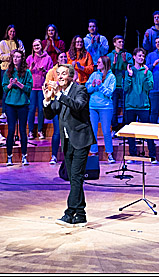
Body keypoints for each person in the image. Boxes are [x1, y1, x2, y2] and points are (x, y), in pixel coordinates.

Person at [44, 63, 96, 226]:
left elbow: (78, 106)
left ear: (70, 76)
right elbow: (50, 113)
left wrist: (59, 94)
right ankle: (80, 215)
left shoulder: (80, 89)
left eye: (63, 74)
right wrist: (47, 100)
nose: (60, 76)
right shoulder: (59, 94)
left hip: (81, 139)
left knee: (76, 176)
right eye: (58, 74)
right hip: (67, 141)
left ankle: (69, 212)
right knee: (74, 178)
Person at [123, 47, 156, 163]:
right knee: (131, 133)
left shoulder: (148, 72)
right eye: (139, 56)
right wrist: (130, 76)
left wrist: (146, 75)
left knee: (148, 132)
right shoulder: (129, 71)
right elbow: (125, 88)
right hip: (130, 106)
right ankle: (132, 155)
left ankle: (152, 155)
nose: (141, 58)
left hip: (143, 106)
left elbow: (149, 87)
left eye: (143, 56)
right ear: (134, 57)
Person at [3, 48, 33, 166]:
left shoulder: (27, 72)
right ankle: (9, 156)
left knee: (22, 131)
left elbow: (29, 89)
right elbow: (5, 88)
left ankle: (24, 156)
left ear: (22, 59)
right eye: (14, 57)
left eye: (18, 57)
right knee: (11, 130)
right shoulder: (8, 72)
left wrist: (19, 84)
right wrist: (11, 84)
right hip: (10, 104)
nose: (16, 59)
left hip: (22, 104)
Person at [87, 54, 117, 163]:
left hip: (105, 107)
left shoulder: (111, 77)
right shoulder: (94, 74)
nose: (97, 64)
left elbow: (109, 92)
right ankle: (93, 152)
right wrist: (93, 86)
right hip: (93, 106)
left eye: (99, 62)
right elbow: (88, 89)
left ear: (105, 64)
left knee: (105, 131)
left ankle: (109, 153)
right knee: (92, 131)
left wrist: (100, 86)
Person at [46, 52, 70, 165]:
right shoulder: (52, 72)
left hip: (68, 102)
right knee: (57, 131)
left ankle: (68, 156)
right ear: (58, 60)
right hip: (56, 102)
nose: (64, 58)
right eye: (61, 57)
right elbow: (48, 86)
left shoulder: (70, 71)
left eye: (65, 57)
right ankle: (54, 156)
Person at [27, 39, 53, 140]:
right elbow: (25, 74)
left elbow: (50, 73)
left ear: (41, 46)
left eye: (37, 45)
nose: (36, 47)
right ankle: (30, 131)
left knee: (42, 110)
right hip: (33, 88)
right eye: (34, 46)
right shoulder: (30, 58)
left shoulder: (47, 58)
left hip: (43, 87)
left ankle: (40, 130)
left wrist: (44, 71)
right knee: (32, 109)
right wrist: (30, 68)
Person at [106, 36, 131, 130]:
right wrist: (113, 63)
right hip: (114, 85)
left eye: (122, 42)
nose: (121, 43)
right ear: (114, 43)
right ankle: (115, 128)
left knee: (126, 108)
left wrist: (124, 62)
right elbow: (108, 71)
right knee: (114, 109)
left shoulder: (127, 55)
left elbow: (130, 69)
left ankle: (125, 128)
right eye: (119, 42)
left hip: (124, 84)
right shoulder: (109, 56)